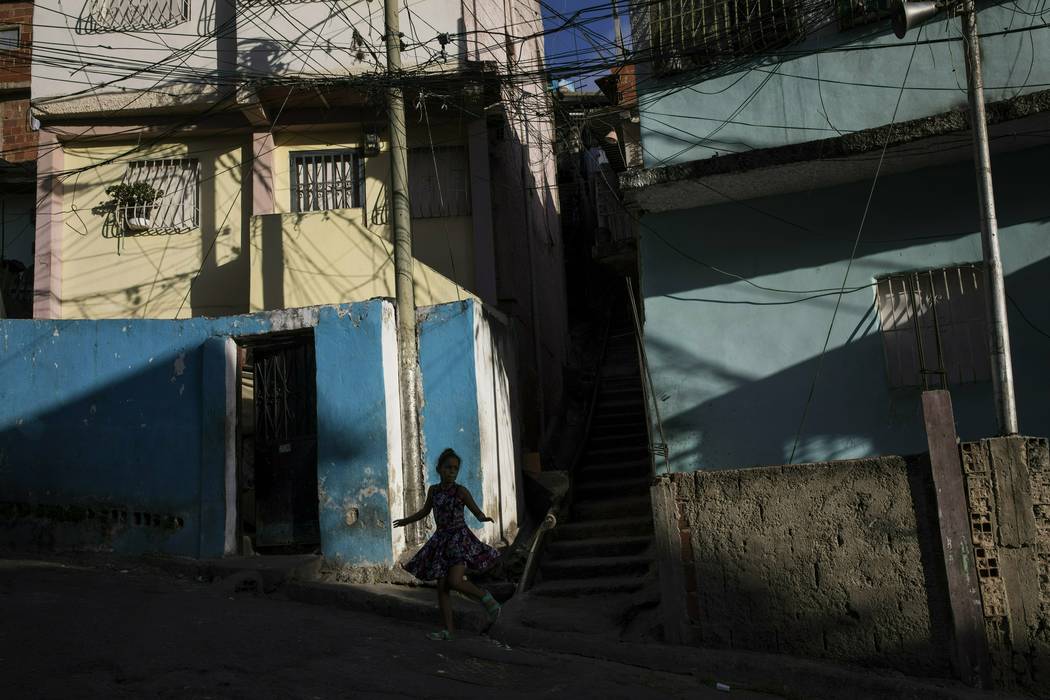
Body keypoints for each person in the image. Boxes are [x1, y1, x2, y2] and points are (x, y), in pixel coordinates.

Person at [393, 448, 502, 640]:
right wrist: (405, 521)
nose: (452, 471)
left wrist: (483, 517)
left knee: (455, 581)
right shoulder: (434, 491)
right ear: (439, 469)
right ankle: (448, 631)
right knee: (442, 588)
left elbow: (476, 511)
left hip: (459, 540)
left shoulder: (461, 491)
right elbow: (424, 511)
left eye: (455, 469)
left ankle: (485, 597)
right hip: (441, 542)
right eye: (448, 467)